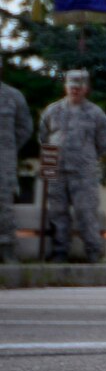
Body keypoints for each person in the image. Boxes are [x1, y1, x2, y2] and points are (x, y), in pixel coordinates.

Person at [39, 70, 106, 263]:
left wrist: (86, 157)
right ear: (66, 87)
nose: (75, 90)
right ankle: (59, 251)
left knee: (86, 212)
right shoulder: (52, 111)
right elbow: (43, 138)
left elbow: (104, 143)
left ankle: (93, 252)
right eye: (71, 86)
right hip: (57, 171)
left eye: (79, 87)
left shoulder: (96, 114)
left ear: (86, 88)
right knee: (57, 212)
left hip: (83, 172)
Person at [0, 75, 30, 262]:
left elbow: (25, 127)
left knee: (4, 203)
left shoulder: (13, 96)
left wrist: (8, 147)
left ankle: (6, 248)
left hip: (4, 160)